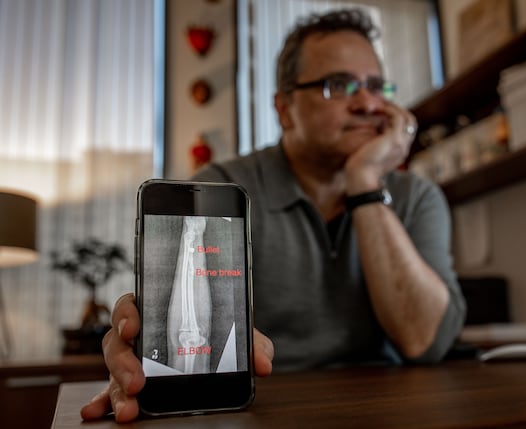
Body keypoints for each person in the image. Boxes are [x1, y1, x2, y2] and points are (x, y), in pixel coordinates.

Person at [81, 8, 466, 422]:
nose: (369, 104)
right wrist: (138, 342)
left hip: (392, 411)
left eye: (376, 86)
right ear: (283, 110)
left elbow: (426, 343)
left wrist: (365, 182)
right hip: (260, 413)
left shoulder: (416, 197)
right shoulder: (221, 190)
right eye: (340, 85)